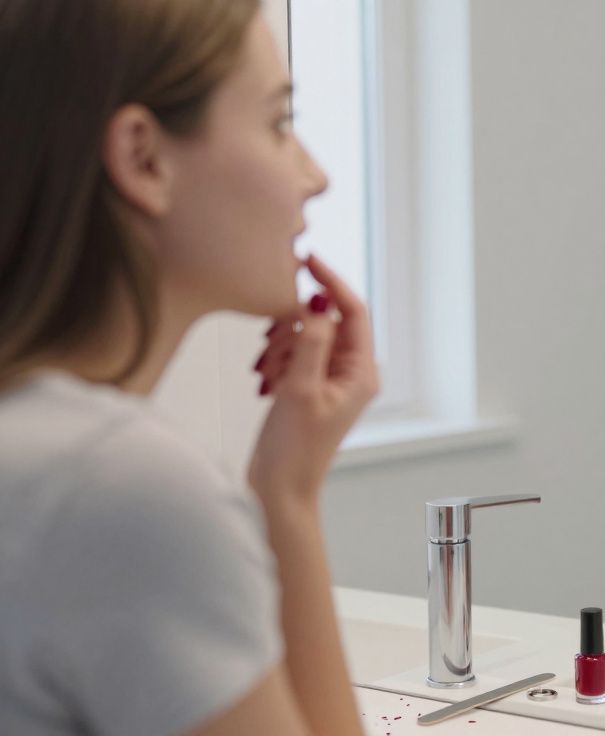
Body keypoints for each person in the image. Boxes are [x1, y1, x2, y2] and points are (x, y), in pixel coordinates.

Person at [0, 2, 376, 733]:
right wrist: (289, 505)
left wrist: (283, 478)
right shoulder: (120, 487)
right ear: (144, 159)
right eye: (278, 123)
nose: (317, 176)